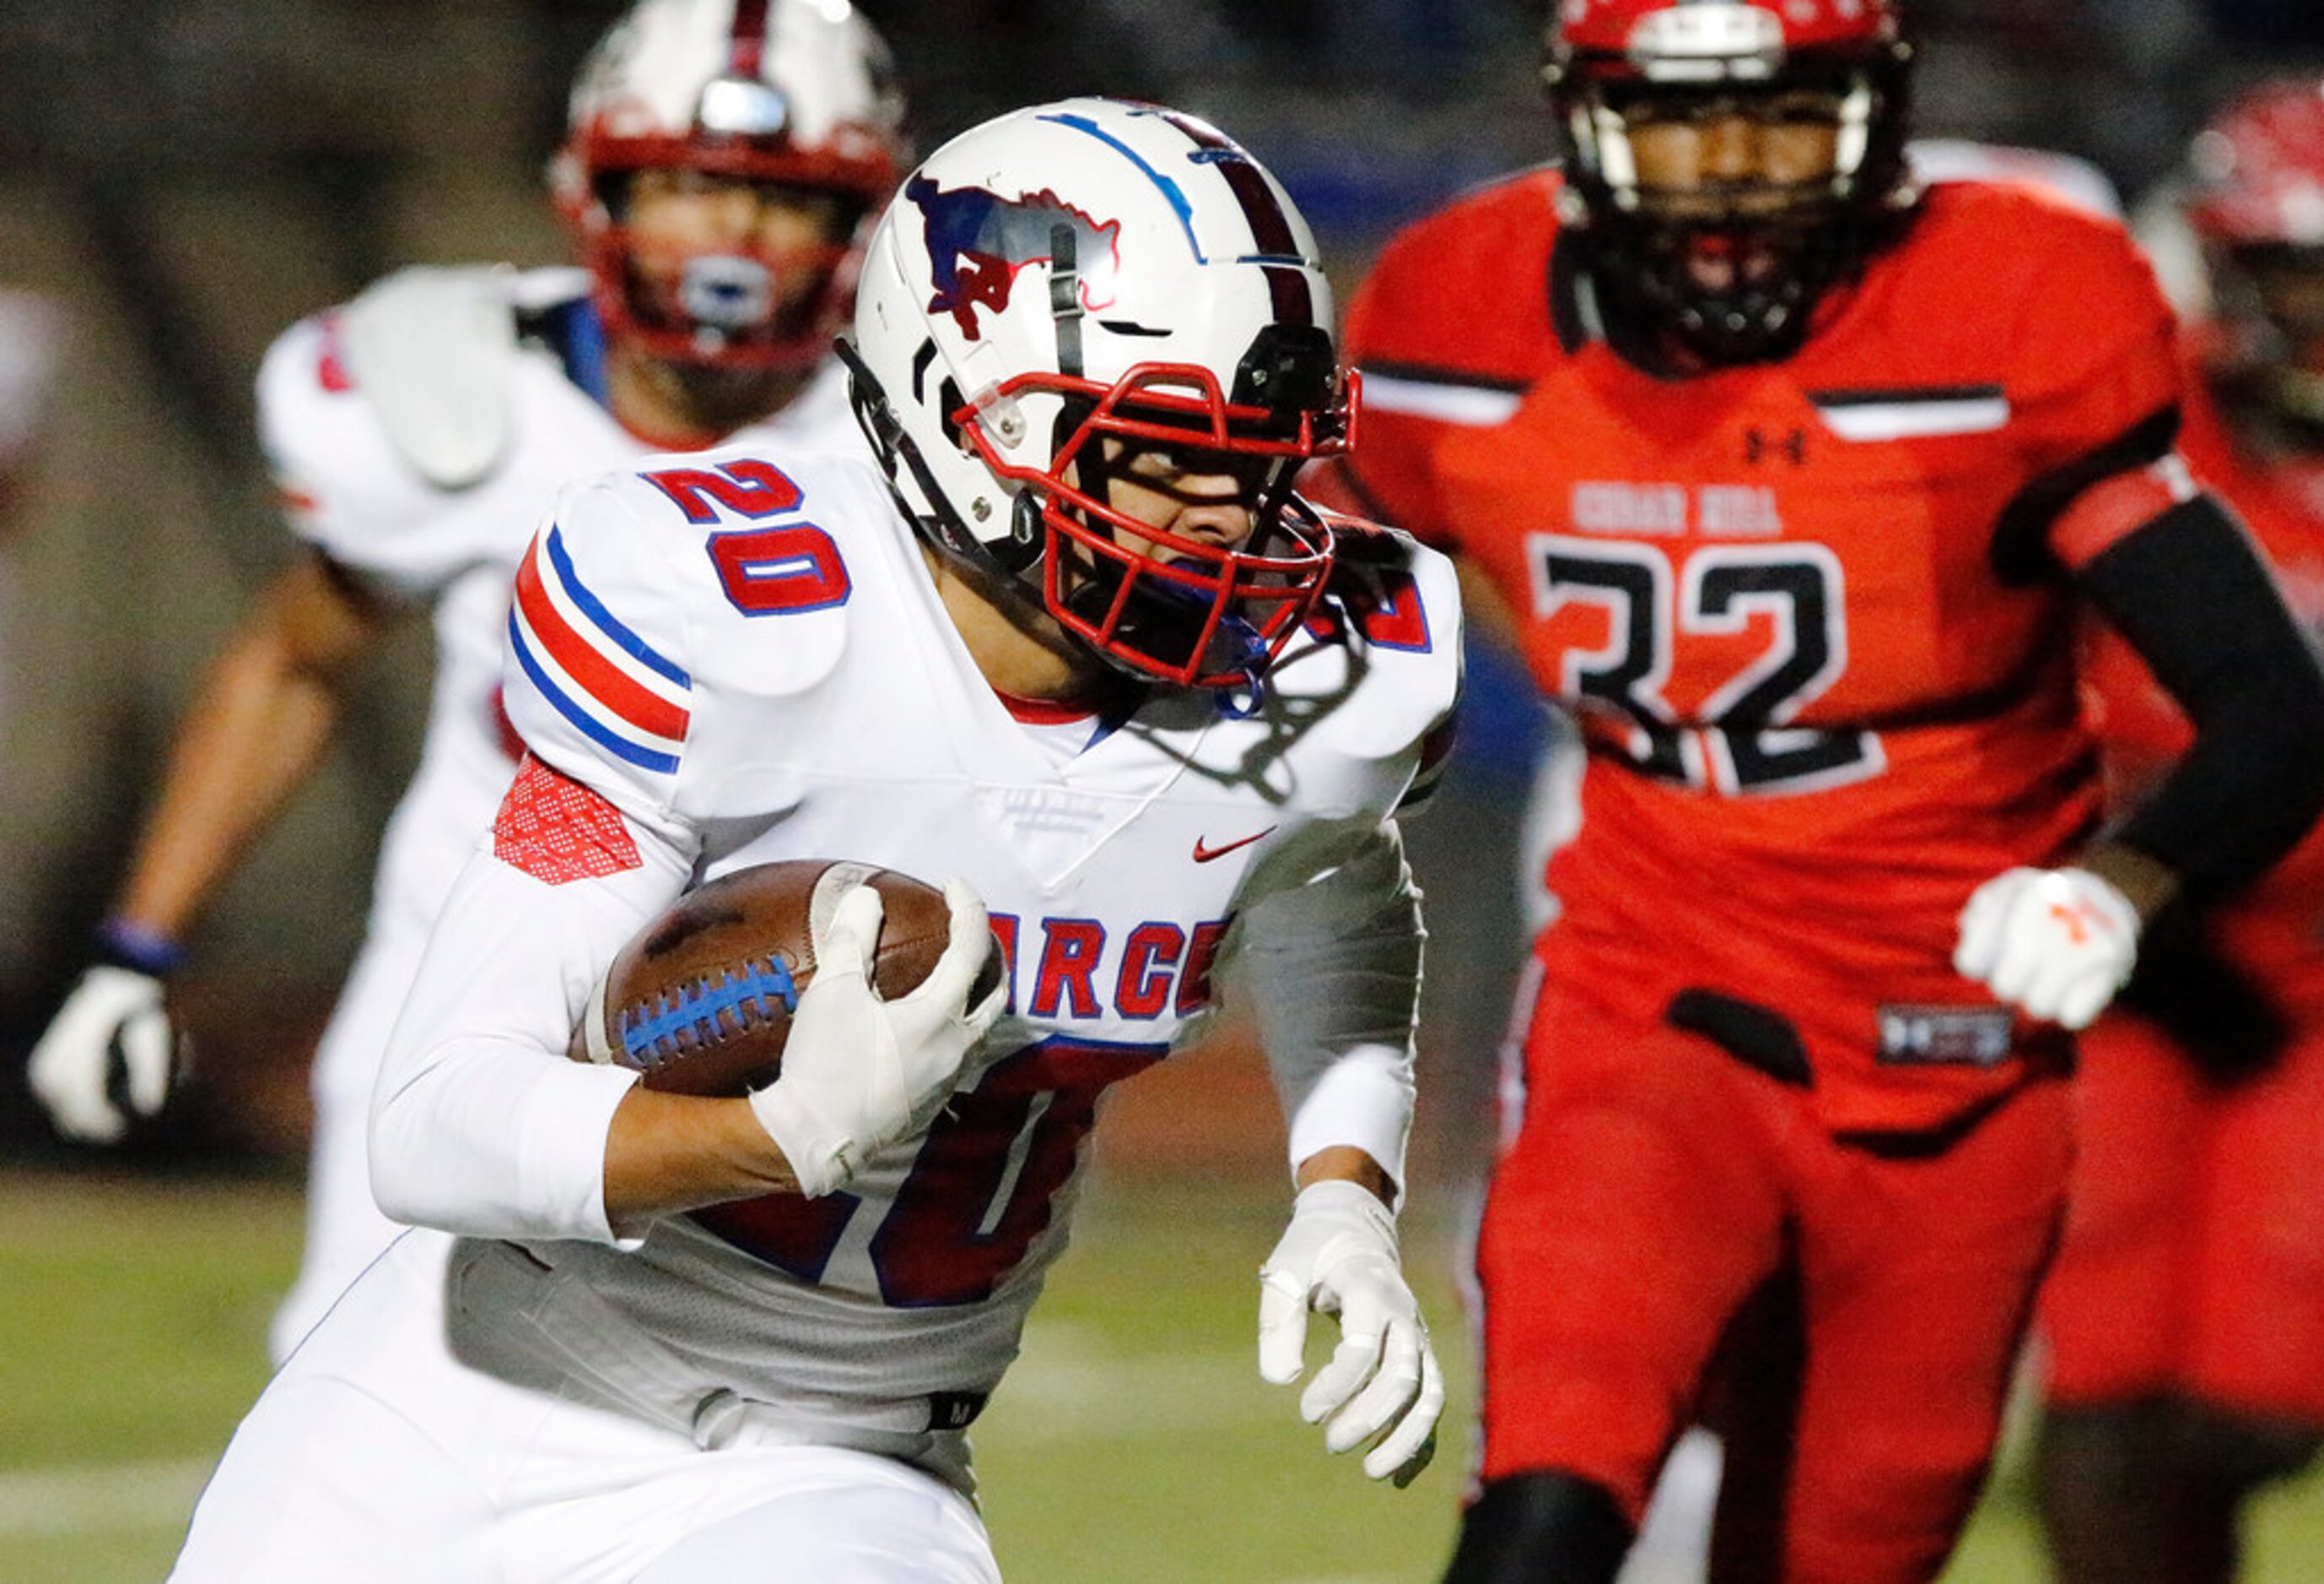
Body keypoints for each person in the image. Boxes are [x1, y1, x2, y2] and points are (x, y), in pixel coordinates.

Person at [170, 96, 1456, 1581]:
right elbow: (437, 1119)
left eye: (1266, 463)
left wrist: (1344, 1187)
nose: (1233, 526)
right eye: (1169, 457)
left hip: (843, 1462)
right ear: (970, 421)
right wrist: (766, 1137)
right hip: (472, 1393)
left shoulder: (1319, 681)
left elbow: (1331, 889)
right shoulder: (733, 617)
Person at [1318, 2, 2324, 1579]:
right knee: (1544, 1505)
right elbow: (1308, 575)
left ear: (1876, 120)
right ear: (1583, 120)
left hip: (1956, 1042)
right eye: (1676, 120)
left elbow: (2270, 702)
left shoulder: (2006, 309)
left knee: (1853, 1540)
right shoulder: (1457, 313)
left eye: (1781, 118)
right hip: (1654, 998)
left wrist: (2113, 882)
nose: (1726, 177)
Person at [26, 0, 906, 1362]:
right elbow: (292, 657)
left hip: (759, 1011)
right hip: (466, 988)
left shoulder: (906, 440)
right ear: (591, 194)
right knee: (360, 1403)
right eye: (684, 187)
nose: (730, 241)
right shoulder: (459, 400)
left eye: (782, 202)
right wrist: (139, 947)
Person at [2035, 79, 2324, 1584]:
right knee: (2104, 1379)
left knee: (2256, 1400)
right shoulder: (2137, 417)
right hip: (2144, 938)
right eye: (2306, 276)